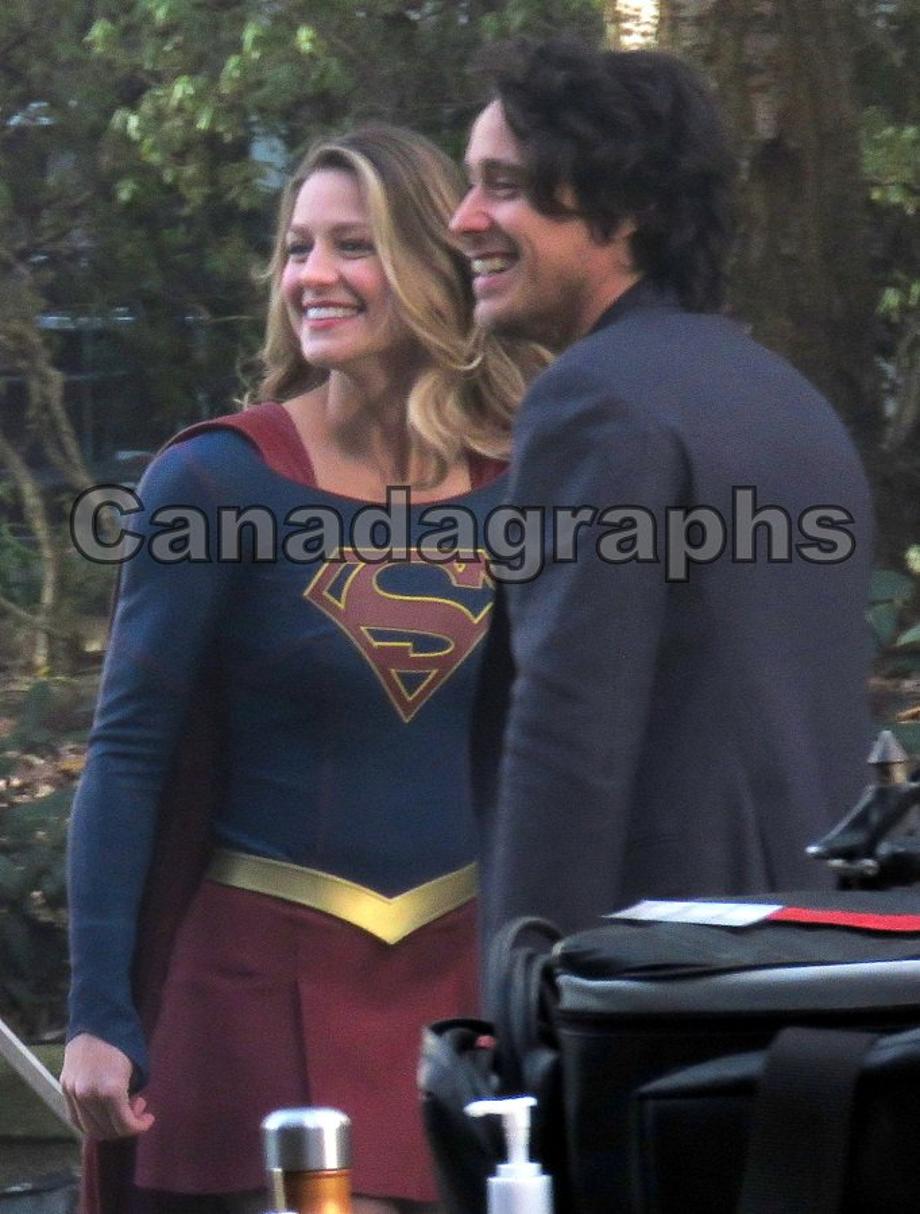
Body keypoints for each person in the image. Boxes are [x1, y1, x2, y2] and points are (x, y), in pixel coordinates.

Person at [62, 125, 546, 1213]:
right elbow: (128, 754)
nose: (311, 276)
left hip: (462, 988)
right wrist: (97, 1013)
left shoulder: (523, 487)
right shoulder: (216, 480)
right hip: (253, 982)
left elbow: (557, 750)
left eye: (352, 245)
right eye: (296, 247)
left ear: (432, 268)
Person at [449, 40, 875, 959]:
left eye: (504, 187)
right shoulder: (786, 396)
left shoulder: (594, 400)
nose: (463, 219)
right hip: (811, 958)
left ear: (628, 206)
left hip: (668, 970)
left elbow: (569, 737)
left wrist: (531, 986)